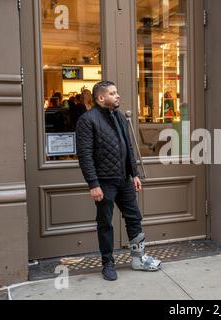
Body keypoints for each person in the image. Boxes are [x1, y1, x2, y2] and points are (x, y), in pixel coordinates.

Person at [76, 81, 161, 281]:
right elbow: (85, 155)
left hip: (124, 180)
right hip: (104, 182)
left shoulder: (120, 117)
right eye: (113, 93)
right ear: (101, 98)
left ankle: (139, 259)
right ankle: (107, 264)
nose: (117, 96)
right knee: (105, 223)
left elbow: (128, 148)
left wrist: (135, 174)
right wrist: (93, 184)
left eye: (117, 92)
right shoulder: (87, 120)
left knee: (134, 217)